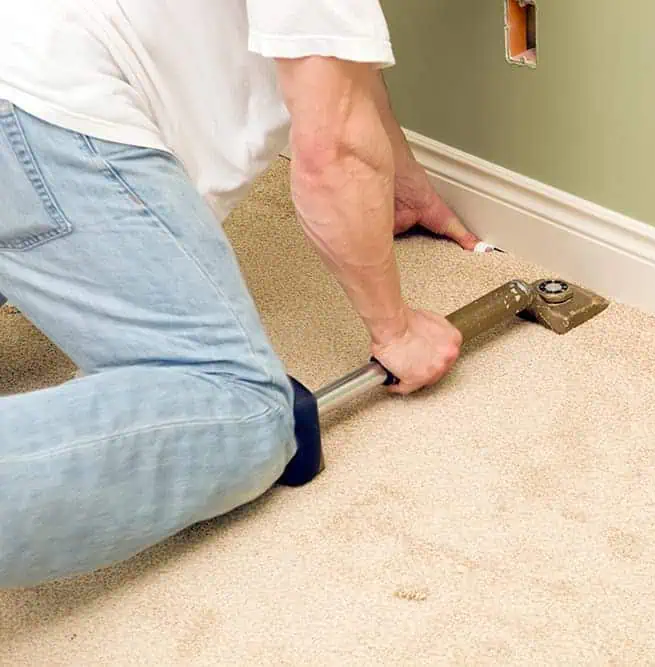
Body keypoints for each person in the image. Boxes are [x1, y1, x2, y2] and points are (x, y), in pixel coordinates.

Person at [0, 2, 480, 589]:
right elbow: (332, 155)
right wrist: (396, 330)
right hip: (38, 115)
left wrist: (399, 178)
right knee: (243, 407)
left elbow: (333, 57)